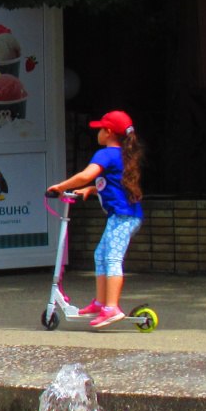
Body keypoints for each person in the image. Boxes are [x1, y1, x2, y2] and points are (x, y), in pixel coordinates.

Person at [47, 109, 145, 330]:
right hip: (123, 216)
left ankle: (112, 307)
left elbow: (86, 174)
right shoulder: (122, 155)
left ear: (108, 132)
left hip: (123, 217)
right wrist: (89, 190)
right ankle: (101, 302)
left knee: (112, 258)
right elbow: (109, 183)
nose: (98, 133)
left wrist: (60, 187)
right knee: (100, 254)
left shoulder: (105, 154)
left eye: (100, 129)